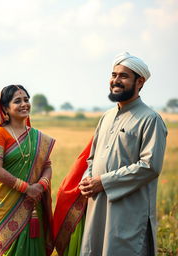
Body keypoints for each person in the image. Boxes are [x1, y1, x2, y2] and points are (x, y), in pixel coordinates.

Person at [54, 52, 167, 256]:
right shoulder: (106, 117)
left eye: (123, 76)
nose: (116, 80)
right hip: (97, 205)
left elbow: (150, 166)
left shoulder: (151, 119)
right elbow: (92, 157)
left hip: (128, 211)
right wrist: (89, 178)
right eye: (113, 75)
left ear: (139, 81)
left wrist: (103, 181)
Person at [0, 85, 55, 256]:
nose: (24, 104)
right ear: (5, 108)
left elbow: (47, 166)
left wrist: (40, 186)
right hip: (3, 206)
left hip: (33, 206)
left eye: (26, 100)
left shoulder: (37, 136)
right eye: (17, 101)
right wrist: (28, 188)